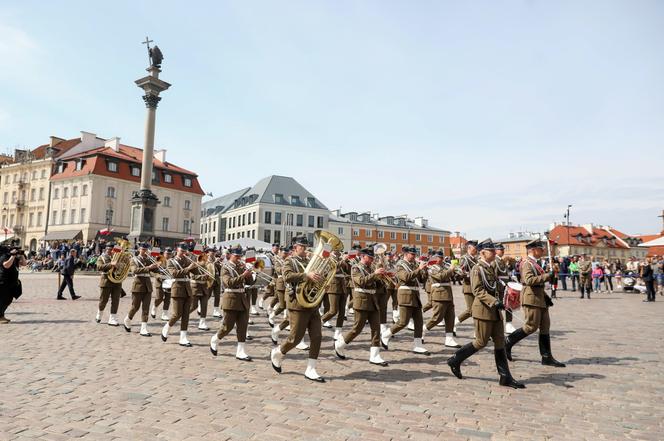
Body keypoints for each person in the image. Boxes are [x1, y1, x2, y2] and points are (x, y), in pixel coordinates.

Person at [446, 239, 525, 389]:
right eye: (492, 251)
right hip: (483, 310)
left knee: (500, 342)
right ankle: (455, 360)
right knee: (481, 342)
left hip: (494, 311)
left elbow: (496, 287)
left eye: (495, 251)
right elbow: (478, 291)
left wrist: (507, 296)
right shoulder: (477, 269)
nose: (495, 253)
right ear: (483, 252)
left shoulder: (490, 268)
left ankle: (505, 376)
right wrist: (494, 301)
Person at [270, 236, 325, 382]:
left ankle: (311, 369)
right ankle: (279, 351)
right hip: (297, 304)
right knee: (295, 338)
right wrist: (306, 275)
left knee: (317, 337)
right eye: (302, 246)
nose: (305, 249)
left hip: (312, 303)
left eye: (306, 246)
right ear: (295, 247)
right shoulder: (289, 261)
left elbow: (316, 277)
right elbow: (287, 276)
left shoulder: (309, 261)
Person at [504, 239, 565, 368]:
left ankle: (546, 357)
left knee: (545, 326)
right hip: (531, 298)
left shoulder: (535, 263)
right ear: (532, 250)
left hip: (540, 297)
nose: (542, 250)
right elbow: (529, 280)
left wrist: (550, 274)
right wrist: (547, 276)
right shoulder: (527, 263)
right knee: (530, 326)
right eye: (540, 248)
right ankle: (507, 343)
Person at [334, 246, 388, 366]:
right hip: (361, 301)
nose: (372, 260)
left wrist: (382, 279)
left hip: (373, 301)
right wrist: (375, 274)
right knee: (357, 329)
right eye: (370, 257)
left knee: (376, 329)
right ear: (363, 256)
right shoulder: (355, 268)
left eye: (372, 257)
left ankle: (375, 355)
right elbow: (361, 282)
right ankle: (340, 344)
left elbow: (376, 286)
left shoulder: (371, 268)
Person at [380, 246, 430, 355]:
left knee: (419, 321)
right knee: (403, 322)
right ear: (406, 254)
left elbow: (421, 279)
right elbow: (406, 277)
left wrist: (424, 271)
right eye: (412, 254)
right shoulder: (400, 265)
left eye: (414, 254)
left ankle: (418, 345)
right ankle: (386, 334)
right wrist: (419, 269)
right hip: (405, 295)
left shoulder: (414, 265)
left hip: (415, 295)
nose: (414, 256)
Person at [210, 245, 255, 361]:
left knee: (243, 327)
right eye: (236, 256)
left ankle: (241, 351)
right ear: (230, 255)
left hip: (242, 299)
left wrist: (251, 274)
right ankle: (215, 339)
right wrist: (243, 275)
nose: (239, 258)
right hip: (230, 299)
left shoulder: (241, 266)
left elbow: (249, 282)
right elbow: (228, 282)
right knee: (227, 326)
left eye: (240, 256)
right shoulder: (225, 267)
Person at [162, 243, 198, 346]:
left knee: (186, 315)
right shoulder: (171, 261)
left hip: (187, 289)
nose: (183, 253)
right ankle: (167, 327)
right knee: (177, 314)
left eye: (184, 251)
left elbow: (195, 272)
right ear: (177, 251)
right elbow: (174, 273)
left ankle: (183, 337)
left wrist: (197, 264)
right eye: (181, 251)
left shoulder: (187, 260)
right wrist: (188, 268)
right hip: (177, 289)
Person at [423, 250, 460, 348]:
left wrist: (457, 270)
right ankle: (423, 330)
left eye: (441, 257)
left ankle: (449, 339)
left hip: (448, 294)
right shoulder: (431, 267)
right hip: (438, 295)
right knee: (437, 318)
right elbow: (440, 277)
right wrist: (451, 269)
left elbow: (454, 276)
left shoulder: (445, 267)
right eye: (439, 257)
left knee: (450, 318)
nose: (441, 259)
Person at [124, 243, 159, 336]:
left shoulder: (149, 259)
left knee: (146, 308)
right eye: (143, 249)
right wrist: (148, 267)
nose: (145, 251)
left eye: (146, 250)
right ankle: (128, 318)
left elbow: (155, 271)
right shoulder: (133, 259)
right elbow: (135, 270)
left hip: (148, 286)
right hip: (138, 285)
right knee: (135, 307)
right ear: (139, 249)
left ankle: (144, 328)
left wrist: (157, 265)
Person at [321, 250, 350, 341]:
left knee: (342, 312)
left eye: (339, 249)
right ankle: (318, 323)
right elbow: (330, 270)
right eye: (336, 249)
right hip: (333, 287)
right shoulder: (328, 259)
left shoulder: (342, 260)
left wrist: (347, 262)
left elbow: (348, 272)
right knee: (333, 310)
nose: (338, 251)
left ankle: (338, 332)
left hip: (343, 287)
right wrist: (342, 261)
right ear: (333, 250)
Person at [454, 241, 479, 332]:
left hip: (476, 287)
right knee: (470, 310)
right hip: (468, 287)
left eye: (476, 248)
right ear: (469, 248)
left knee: (477, 309)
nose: (476, 249)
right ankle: (454, 322)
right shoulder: (464, 258)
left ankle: (478, 332)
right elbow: (460, 273)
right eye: (474, 247)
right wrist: (470, 276)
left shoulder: (476, 259)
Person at [95, 243, 122, 326]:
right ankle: (100, 313)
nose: (111, 251)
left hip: (117, 281)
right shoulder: (101, 257)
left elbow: (123, 267)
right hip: (106, 281)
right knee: (103, 300)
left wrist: (120, 265)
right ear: (106, 250)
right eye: (109, 250)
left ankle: (112, 318)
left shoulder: (118, 258)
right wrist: (111, 264)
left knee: (116, 300)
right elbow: (99, 267)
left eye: (112, 250)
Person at [0, 246, 27, 324]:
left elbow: (24, 264)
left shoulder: (16, 257)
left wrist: (21, 255)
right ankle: (0, 316)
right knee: (3, 300)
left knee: (9, 299)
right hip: (3, 281)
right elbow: (6, 265)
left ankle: (1, 315)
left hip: (12, 282)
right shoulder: (4, 256)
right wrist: (12, 256)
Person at [493, 243, 515, 333]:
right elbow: (494, 275)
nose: (503, 251)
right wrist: (501, 284)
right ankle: (496, 326)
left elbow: (505, 273)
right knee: (499, 307)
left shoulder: (501, 261)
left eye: (503, 250)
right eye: (501, 250)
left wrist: (511, 280)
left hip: (506, 285)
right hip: (500, 287)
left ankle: (508, 324)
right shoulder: (495, 261)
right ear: (496, 251)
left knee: (508, 304)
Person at [151, 248, 173, 321]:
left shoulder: (172, 261)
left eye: (170, 254)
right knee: (159, 297)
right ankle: (154, 307)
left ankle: (164, 314)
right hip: (160, 281)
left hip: (169, 281)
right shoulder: (159, 259)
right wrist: (157, 275)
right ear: (164, 253)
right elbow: (152, 271)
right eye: (167, 253)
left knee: (167, 298)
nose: (168, 255)